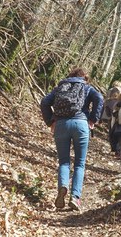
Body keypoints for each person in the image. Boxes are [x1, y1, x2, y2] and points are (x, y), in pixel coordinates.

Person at [40, 67, 103, 211]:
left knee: (64, 161)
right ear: (84, 77)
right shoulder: (87, 88)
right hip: (81, 124)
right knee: (79, 164)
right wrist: (93, 119)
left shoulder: (60, 87)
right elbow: (99, 98)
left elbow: (44, 102)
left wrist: (51, 121)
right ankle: (75, 197)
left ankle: (63, 187)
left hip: (61, 124)